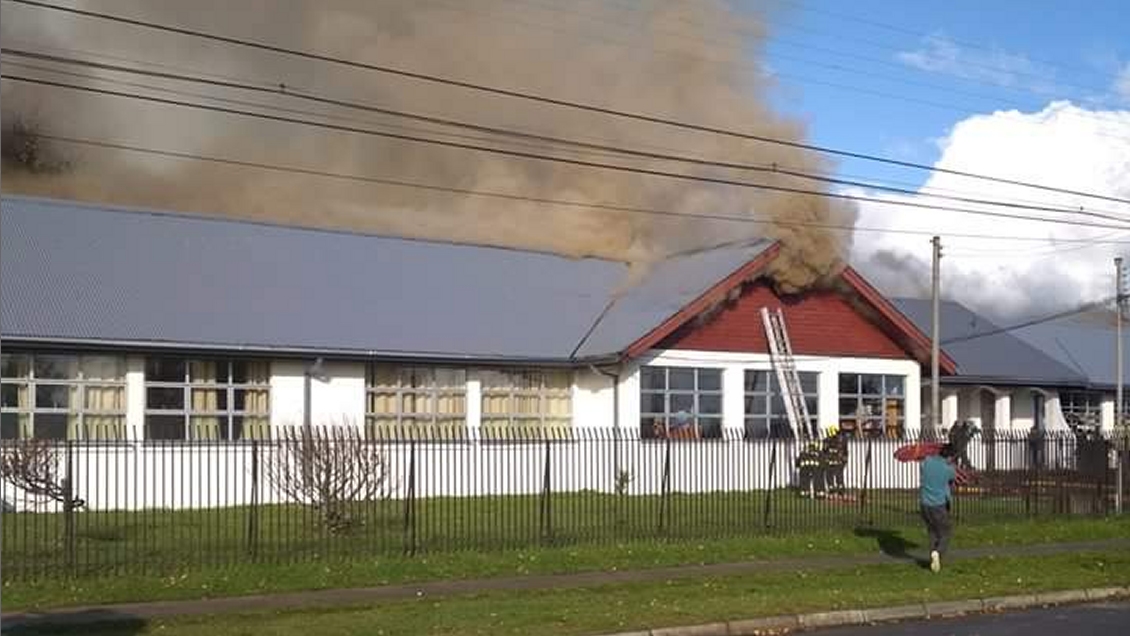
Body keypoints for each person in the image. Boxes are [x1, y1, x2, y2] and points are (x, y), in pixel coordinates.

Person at [920, 443, 958, 573]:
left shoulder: (927, 462)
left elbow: (923, 467)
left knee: (932, 532)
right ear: (950, 457)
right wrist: (952, 467)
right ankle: (937, 552)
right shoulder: (948, 469)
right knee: (945, 532)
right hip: (939, 505)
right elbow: (952, 481)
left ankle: (933, 560)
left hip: (925, 504)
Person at [822, 426, 848, 497]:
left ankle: (840, 491)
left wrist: (844, 460)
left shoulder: (840, 441)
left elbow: (844, 452)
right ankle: (833, 491)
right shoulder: (828, 441)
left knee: (838, 476)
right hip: (832, 462)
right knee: (831, 476)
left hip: (837, 462)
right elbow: (824, 452)